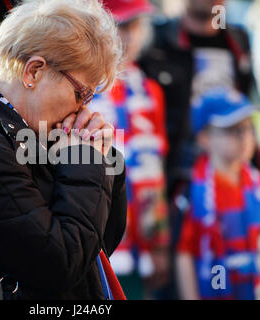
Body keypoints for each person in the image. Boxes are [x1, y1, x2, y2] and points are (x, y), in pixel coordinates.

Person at [0, 0, 127, 299]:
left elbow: (99, 246)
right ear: (33, 71)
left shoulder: (39, 131)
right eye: (82, 93)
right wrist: (86, 160)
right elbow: (58, 265)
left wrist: (104, 159)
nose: (85, 107)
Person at [90, 0, 170, 299]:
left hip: (143, 246)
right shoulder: (78, 88)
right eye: (122, 26)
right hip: (95, 241)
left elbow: (154, 172)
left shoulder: (151, 91)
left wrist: (159, 241)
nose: (131, 36)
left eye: (137, 25)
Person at [175, 88, 260, 300]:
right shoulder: (193, 192)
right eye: (233, 129)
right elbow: (185, 255)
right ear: (204, 138)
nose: (244, 136)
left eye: (248, 127)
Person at [139, 0, 253, 201]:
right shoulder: (156, 40)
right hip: (173, 178)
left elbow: (246, 103)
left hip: (231, 174)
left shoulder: (238, 41)